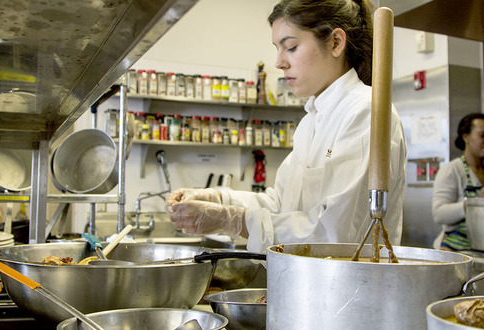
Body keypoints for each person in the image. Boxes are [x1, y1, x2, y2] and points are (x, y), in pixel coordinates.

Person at [166, 0, 407, 252]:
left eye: (290, 47)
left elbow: (335, 233)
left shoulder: (366, 110)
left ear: (336, 42)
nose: (279, 62)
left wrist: (232, 219)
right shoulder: (310, 122)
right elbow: (281, 204)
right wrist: (217, 199)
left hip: (353, 286)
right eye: (277, 49)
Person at [432, 113, 484, 251]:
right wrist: (474, 202)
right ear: (466, 137)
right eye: (483, 135)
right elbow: (439, 214)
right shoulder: (452, 170)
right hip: (454, 251)